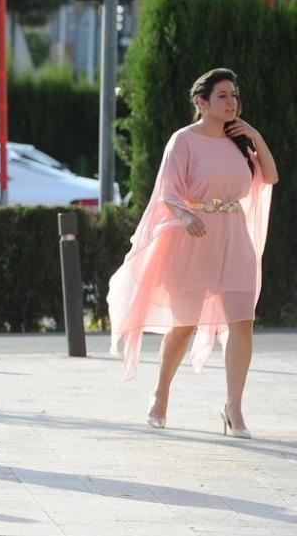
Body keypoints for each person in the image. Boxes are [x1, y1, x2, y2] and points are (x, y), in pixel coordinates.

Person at [108, 68, 278, 439]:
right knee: (183, 326)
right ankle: (161, 392)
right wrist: (185, 215)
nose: (231, 101)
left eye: (234, 95)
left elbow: (270, 176)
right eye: (223, 96)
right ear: (201, 102)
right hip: (194, 240)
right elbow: (167, 191)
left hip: (234, 239)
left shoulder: (240, 142)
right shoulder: (182, 140)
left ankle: (233, 408)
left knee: (242, 322)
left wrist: (255, 135)